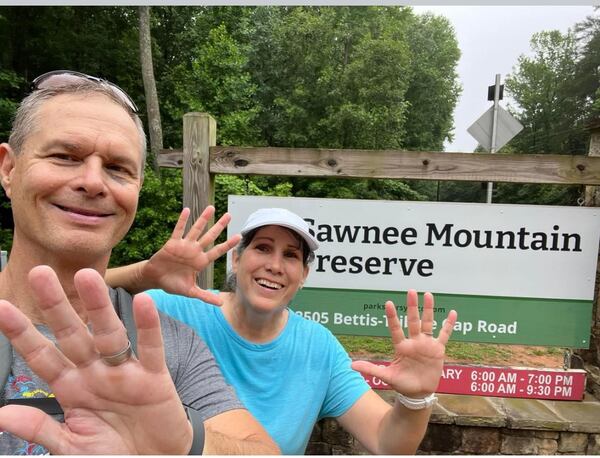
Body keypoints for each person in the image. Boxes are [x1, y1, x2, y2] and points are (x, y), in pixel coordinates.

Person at [0, 70, 279, 455]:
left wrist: (185, 442)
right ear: (8, 169)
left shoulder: (166, 345)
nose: (93, 181)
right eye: (65, 156)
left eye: (117, 168)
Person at [107, 207, 458, 454]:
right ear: (236, 259)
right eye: (262, 248)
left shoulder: (317, 348)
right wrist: (144, 275)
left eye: (291, 255)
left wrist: (415, 398)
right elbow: (65, 293)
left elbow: (388, 443)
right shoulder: (168, 308)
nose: (275, 266)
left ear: (303, 275)